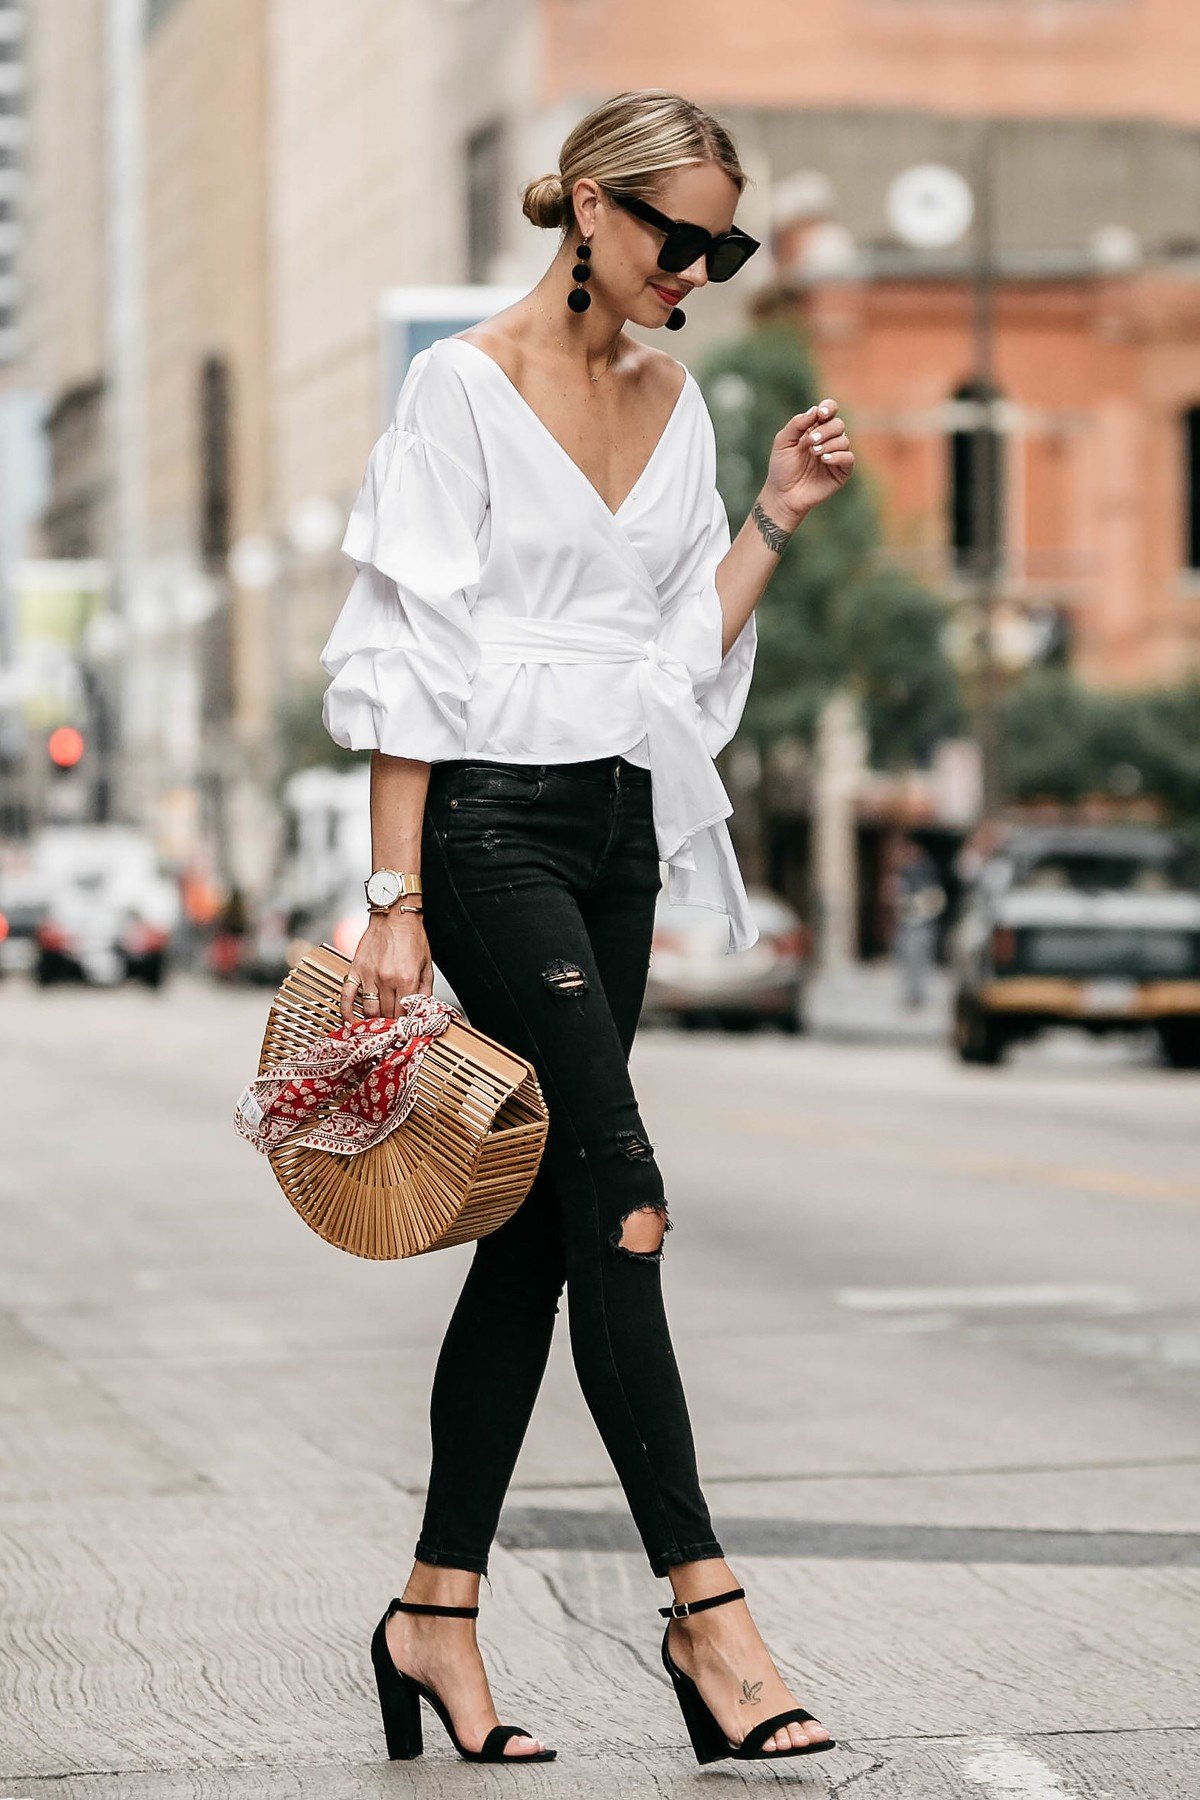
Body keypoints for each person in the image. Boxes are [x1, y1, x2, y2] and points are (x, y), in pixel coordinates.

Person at [319, 88, 855, 1768]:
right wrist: (395, 897)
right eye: (676, 236)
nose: (695, 271)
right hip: (488, 829)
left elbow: (671, 648)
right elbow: (409, 644)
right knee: (620, 1193)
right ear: (593, 212)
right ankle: (711, 1617)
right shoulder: (460, 386)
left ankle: (434, 1616)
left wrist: (770, 516)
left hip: (617, 825)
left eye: (724, 245)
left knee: (541, 1235)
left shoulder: (678, 398)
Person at [888, 835, 946, 1009]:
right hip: (909, 924)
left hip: (921, 924)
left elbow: (930, 899)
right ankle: (912, 993)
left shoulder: (924, 871)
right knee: (908, 960)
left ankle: (916, 994)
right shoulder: (906, 871)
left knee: (918, 959)